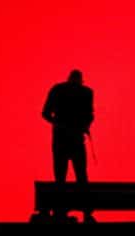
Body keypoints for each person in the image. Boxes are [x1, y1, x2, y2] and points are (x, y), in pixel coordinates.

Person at [41, 69, 95, 223]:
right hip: (77, 139)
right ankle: (86, 212)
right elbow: (90, 116)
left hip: (60, 139)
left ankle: (60, 211)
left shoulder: (57, 89)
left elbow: (45, 113)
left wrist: (57, 124)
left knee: (60, 176)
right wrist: (83, 126)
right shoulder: (87, 92)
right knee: (81, 176)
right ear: (81, 80)